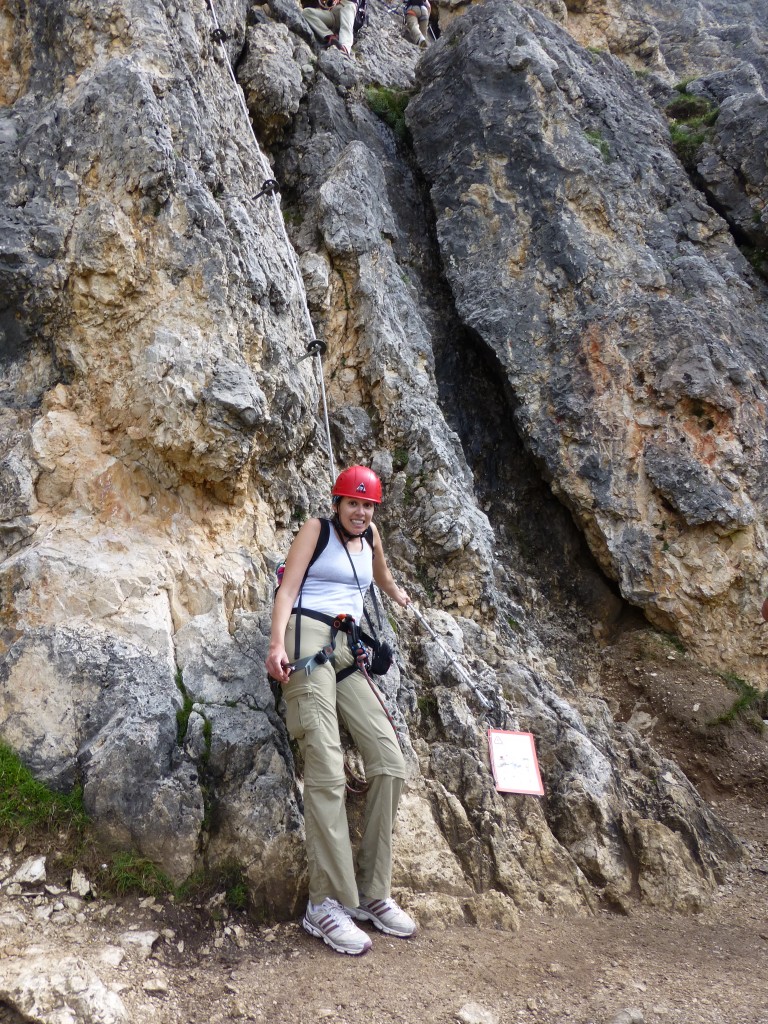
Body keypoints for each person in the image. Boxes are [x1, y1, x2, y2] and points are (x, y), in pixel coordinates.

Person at [265, 465, 417, 955]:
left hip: (348, 648)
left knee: (391, 763)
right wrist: (275, 645)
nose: (360, 511)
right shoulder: (318, 529)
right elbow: (287, 588)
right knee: (327, 768)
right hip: (309, 638)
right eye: (353, 502)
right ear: (337, 503)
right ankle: (324, 903)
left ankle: (372, 894)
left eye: (368, 504)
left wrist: (397, 595)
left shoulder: (370, 536)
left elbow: (381, 575)